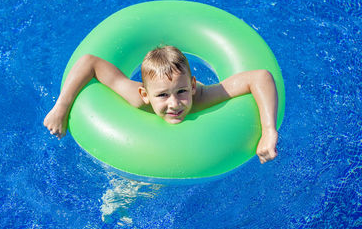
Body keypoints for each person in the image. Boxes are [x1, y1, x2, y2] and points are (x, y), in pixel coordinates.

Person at [44, 45, 279, 164]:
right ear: (145, 94)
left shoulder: (202, 97)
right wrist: (61, 107)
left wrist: (269, 131)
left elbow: (260, 77)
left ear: (193, 85)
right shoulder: (138, 99)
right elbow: (90, 62)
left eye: (182, 91)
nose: (174, 103)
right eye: (162, 96)